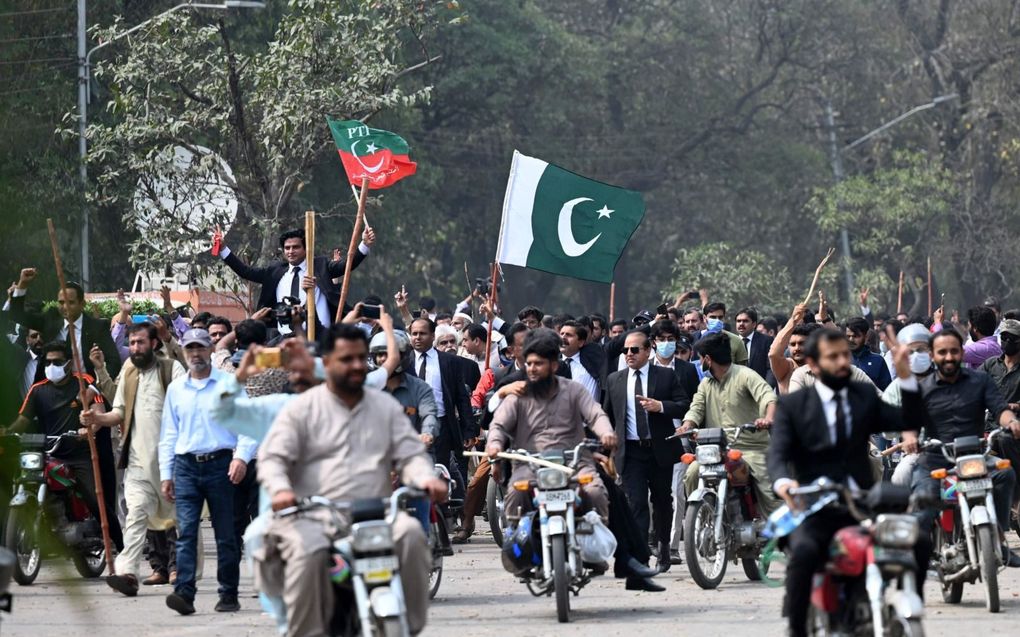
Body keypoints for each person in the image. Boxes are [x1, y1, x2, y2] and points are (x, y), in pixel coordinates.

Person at [257, 323, 447, 637]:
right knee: (306, 555)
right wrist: (280, 489)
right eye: (347, 360)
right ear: (327, 363)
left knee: (412, 534)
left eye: (361, 359)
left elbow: (410, 453)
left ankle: (408, 626)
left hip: (377, 517)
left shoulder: (384, 407)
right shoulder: (301, 410)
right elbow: (273, 458)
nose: (357, 366)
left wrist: (425, 479)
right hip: (314, 518)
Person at [768, 327, 924, 637]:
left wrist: (906, 377)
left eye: (845, 355)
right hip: (815, 508)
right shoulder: (793, 406)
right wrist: (783, 482)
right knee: (804, 555)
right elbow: (778, 453)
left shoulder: (863, 395)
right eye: (833, 357)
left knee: (918, 541)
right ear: (812, 364)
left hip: (862, 507)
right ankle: (797, 629)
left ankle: (902, 603)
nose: (842, 362)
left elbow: (907, 419)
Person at [80, 322, 185, 596]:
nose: (135, 348)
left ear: (153, 343)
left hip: (170, 462)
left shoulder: (172, 370)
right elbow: (118, 411)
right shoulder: (128, 370)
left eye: (140, 342)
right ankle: (128, 573)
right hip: (137, 461)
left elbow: (187, 412)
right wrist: (97, 418)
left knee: (178, 520)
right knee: (136, 516)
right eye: (132, 342)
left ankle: (180, 570)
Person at [158, 328, 257, 615]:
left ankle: (228, 593)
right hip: (187, 467)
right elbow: (169, 434)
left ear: (210, 350)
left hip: (221, 465)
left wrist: (241, 458)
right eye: (190, 349)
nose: (195, 354)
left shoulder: (229, 384)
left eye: (200, 348)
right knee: (186, 532)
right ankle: (185, 593)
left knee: (226, 534)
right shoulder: (177, 389)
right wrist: (167, 473)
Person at [905, 328, 1020, 568]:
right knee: (923, 501)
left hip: (974, 457)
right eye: (942, 352)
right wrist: (910, 438)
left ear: (962, 353)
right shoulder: (921, 388)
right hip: (935, 459)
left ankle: (998, 538)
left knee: (1004, 474)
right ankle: (923, 552)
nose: (949, 357)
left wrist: (1011, 422)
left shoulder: (981, 381)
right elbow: (909, 424)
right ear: (933, 356)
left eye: (954, 351)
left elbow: (1000, 409)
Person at [486, 328, 617, 523]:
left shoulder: (574, 390)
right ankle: (516, 541)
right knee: (514, 494)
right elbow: (498, 424)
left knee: (595, 492)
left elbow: (595, 414)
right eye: (529, 364)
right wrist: (494, 444)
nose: (532, 368)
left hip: (575, 462)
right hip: (530, 463)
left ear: (554, 366)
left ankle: (598, 540)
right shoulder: (518, 394)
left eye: (538, 364)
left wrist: (606, 432)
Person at [8, 340, 124, 550]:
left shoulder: (85, 383)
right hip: (49, 454)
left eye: (57, 361)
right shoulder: (37, 390)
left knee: (95, 500)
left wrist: (89, 428)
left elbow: (98, 411)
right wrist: (8, 433)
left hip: (80, 455)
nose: (51, 366)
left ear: (69, 363)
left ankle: (119, 544)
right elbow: (23, 420)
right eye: (48, 361)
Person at [602, 330, 689, 572]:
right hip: (630, 452)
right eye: (625, 350)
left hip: (660, 449)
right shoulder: (615, 379)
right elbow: (607, 415)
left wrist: (660, 406)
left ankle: (663, 547)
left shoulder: (665, 376)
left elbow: (684, 404)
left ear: (648, 349)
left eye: (634, 349)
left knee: (662, 501)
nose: (629, 354)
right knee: (636, 503)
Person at [678, 333, 780, 516]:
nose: (699, 361)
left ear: (708, 359)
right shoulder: (706, 384)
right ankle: (701, 518)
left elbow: (768, 397)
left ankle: (778, 537)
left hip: (751, 449)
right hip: (716, 450)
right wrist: (687, 425)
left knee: (768, 492)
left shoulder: (745, 375)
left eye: (700, 358)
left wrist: (768, 418)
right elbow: (696, 408)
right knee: (692, 473)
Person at [214, 226, 376, 334]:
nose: (291, 251)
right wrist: (223, 249)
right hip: (283, 339)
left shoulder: (320, 266)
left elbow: (346, 266)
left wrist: (364, 245)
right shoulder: (275, 271)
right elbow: (245, 271)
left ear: (306, 249)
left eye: (296, 247)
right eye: (287, 248)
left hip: (320, 337)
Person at [8, 268, 122, 385]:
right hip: (53, 392)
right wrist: (23, 284)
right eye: (61, 302)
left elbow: (114, 362)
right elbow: (17, 315)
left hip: (87, 391)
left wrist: (95, 388)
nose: (65, 307)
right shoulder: (50, 320)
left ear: (82, 304)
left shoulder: (97, 327)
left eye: (70, 302)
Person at [408, 318, 476, 497]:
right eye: (414, 334)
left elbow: (461, 397)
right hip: (411, 426)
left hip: (441, 425)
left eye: (422, 333)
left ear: (432, 336)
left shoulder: (449, 362)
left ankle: (445, 512)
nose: (417, 338)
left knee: (439, 469)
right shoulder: (404, 362)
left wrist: (469, 431)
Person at [880, 323, 935, 486]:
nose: (917, 355)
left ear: (932, 352)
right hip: (916, 453)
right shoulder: (896, 387)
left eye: (922, 350)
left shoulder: (944, 380)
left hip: (951, 448)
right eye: (910, 351)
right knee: (900, 477)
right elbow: (886, 430)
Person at [981, 319, 1020, 516]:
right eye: (1003, 337)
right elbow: (973, 388)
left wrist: (1015, 407)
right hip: (987, 426)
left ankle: (1016, 498)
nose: (1005, 341)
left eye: (1011, 338)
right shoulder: (989, 365)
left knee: (1005, 439)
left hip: (1014, 428)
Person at [768, 305, 816, 394]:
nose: (797, 348)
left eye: (801, 343)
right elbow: (773, 354)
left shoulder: (820, 367)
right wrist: (793, 320)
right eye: (793, 344)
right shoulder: (786, 367)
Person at [559, 319, 605, 401]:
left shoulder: (592, 361)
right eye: (561, 334)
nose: (563, 337)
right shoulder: (552, 364)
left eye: (569, 335)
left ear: (581, 342)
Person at [846, 317, 892, 390]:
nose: (851, 339)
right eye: (848, 336)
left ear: (866, 336)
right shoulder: (840, 360)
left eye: (855, 336)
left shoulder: (878, 361)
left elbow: (887, 391)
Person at [735, 307, 774, 380]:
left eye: (745, 321)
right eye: (738, 321)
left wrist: (767, 387)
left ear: (754, 324)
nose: (741, 324)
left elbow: (771, 368)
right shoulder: (730, 341)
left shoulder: (766, 341)